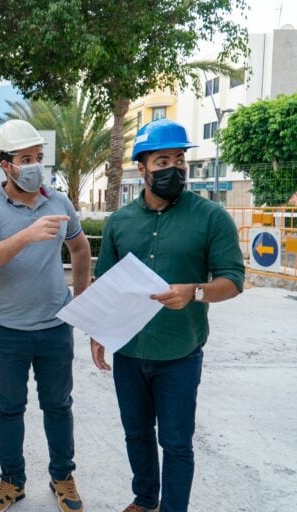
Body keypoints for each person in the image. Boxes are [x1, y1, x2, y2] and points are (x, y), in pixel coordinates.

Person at [90, 119, 244, 512]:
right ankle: (144, 500)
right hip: (130, 350)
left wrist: (194, 292)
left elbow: (233, 280)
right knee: (136, 433)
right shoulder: (121, 222)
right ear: (141, 169)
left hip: (179, 352)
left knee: (176, 442)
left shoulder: (211, 218)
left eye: (180, 160)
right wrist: (98, 332)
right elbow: (105, 282)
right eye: (162, 161)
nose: (174, 168)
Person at [0, 119, 90, 512]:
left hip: (55, 326)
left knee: (58, 405)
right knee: (9, 407)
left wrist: (82, 303)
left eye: (38, 157)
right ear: (6, 164)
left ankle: (62, 477)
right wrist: (25, 235)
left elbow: (81, 250)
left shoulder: (59, 202)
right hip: (6, 330)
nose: (35, 165)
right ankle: (12, 481)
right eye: (25, 158)